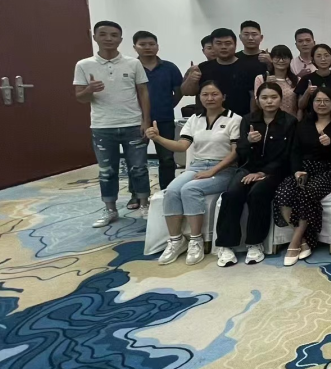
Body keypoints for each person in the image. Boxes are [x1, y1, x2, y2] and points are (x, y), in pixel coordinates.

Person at [145, 81, 239, 265]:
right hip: (197, 166)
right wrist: (157, 138)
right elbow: (182, 146)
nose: (210, 98)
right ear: (199, 97)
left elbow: (235, 153)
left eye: (214, 94)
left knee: (190, 189)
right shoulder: (195, 119)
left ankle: (196, 240)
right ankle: (176, 240)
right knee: (172, 191)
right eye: (205, 94)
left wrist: (212, 171)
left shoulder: (234, 119)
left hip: (224, 169)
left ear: (224, 97)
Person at [74, 21, 152, 227]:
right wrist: (89, 90)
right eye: (103, 34)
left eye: (114, 35)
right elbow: (80, 97)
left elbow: (143, 92)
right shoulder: (83, 65)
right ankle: (110, 209)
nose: (109, 38)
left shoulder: (133, 63)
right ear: (95, 37)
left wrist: (145, 121)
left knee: (139, 168)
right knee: (107, 171)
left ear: (120, 39)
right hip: (102, 126)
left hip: (132, 124)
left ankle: (144, 205)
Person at [216, 82, 297, 267]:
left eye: (274, 97)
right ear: (257, 100)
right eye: (264, 97)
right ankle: (226, 245)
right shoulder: (248, 120)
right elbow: (241, 152)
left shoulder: (290, 122)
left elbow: (288, 154)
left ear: (281, 99)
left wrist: (263, 172)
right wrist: (249, 141)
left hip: (275, 171)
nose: (269, 101)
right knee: (232, 194)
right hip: (247, 168)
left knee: (258, 193)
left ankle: (255, 243)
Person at [273, 87, 331, 266]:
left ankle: (294, 242)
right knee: (283, 192)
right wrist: (297, 170)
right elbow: (295, 151)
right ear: (312, 103)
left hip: (330, 170)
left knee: (307, 192)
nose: (322, 104)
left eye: (326, 100)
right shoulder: (302, 124)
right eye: (318, 100)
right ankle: (304, 240)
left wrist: (330, 144)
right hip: (305, 169)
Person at [132, 30, 183, 191]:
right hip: (136, 120)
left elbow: (179, 91)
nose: (148, 47)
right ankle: (137, 194)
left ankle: (167, 191)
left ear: (157, 46)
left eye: (151, 44)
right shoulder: (130, 67)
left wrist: (168, 105)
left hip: (164, 119)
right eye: (142, 44)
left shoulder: (169, 67)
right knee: (136, 160)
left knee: (167, 158)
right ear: (135, 47)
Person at [183, 28, 267, 116]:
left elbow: (254, 97)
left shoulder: (250, 67)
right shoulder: (203, 67)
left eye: (228, 43)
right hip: (211, 119)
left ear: (235, 45)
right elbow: (187, 92)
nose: (223, 47)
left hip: (241, 118)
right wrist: (191, 79)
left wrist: (251, 119)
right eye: (218, 43)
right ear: (213, 46)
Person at [295, 44, 331, 115]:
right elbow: (300, 106)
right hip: (311, 119)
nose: (323, 59)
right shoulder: (306, 79)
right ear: (313, 59)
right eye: (318, 56)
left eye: (326, 55)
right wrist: (307, 92)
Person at [253, 45, 299, 116]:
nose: (281, 61)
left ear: (290, 59)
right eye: (277, 58)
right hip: (269, 119)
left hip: (291, 120)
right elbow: (258, 104)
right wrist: (266, 85)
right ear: (271, 59)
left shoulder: (297, 80)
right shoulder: (261, 78)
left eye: (285, 58)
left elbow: (300, 106)